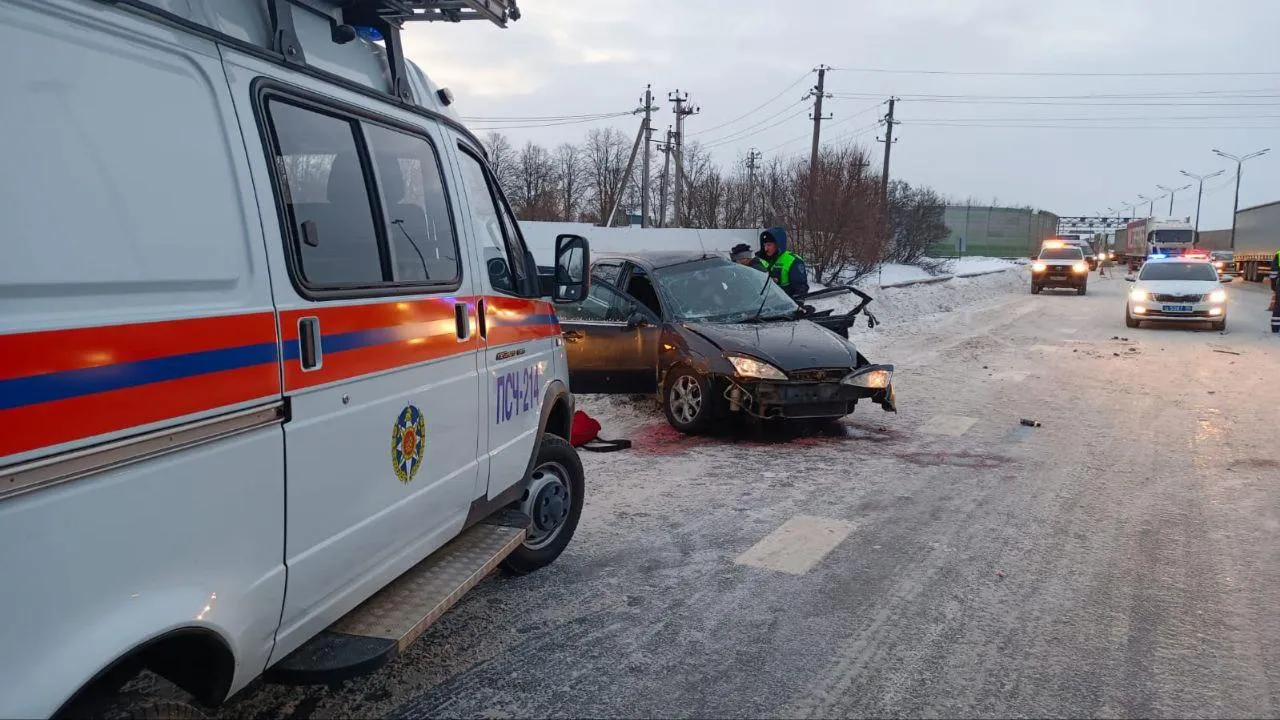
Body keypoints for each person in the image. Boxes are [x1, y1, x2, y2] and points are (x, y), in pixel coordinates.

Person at [754, 226, 809, 299]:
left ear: (778, 244)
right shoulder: (759, 260)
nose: (766, 249)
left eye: (769, 245)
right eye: (764, 245)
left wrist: (797, 305)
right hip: (762, 304)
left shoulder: (793, 260)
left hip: (785, 304)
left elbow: (800, 287)